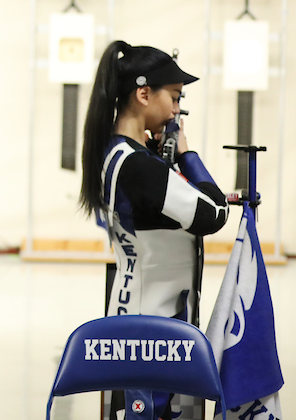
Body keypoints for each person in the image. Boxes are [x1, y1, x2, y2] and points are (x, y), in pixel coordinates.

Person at [79, 41, 229, 420]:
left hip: (139, 320)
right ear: (143, 94)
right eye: (174, 97)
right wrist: (186, 155)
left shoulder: (118, 154)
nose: (177, 109)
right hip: (155, 334)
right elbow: (212, 212)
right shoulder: (138, 166)